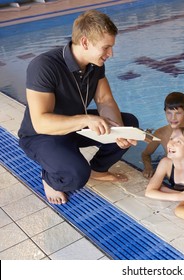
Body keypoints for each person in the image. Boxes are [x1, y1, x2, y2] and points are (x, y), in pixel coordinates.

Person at [18, 10, 139, 205]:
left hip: (75, 127)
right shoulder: (44, 66)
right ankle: (49, 177)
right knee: (76, 176)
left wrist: (118, 131)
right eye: (106, 47)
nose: (111, 54)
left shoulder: (95, 64)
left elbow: (105, 101)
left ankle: (98, 170)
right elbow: (41, 123)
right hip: (41, 136)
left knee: (129, 123)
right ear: (85, 42)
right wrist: (86, 120)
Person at [145, 127, 184, 201]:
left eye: (178, 142)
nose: (170, 143)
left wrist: (164, 189)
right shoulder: (165, 163)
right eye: (171, 139)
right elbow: (149, 192)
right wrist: (178, 196)